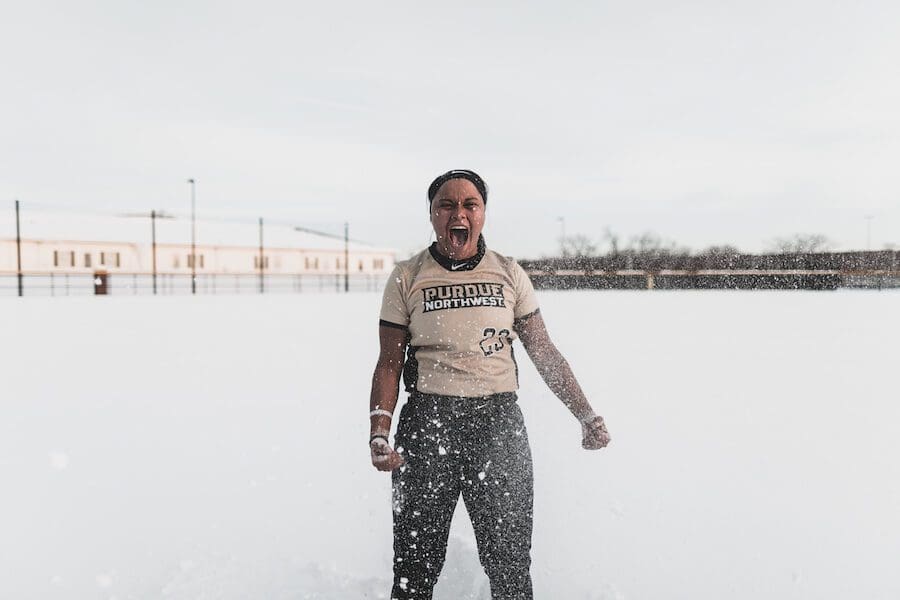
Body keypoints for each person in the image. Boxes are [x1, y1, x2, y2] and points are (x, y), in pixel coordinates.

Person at [369, 169, 610, 600]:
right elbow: (390, 363)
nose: (457, 213)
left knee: (511, 566)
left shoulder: (508, 273)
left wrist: (585, 414)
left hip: (497, 425)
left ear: (482, 214)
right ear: (431, 214)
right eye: (446, 204)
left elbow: (544, 353)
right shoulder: (408, 277)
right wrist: (379, 431)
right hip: (427, 425)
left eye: (469, 204)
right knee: (413, 567)